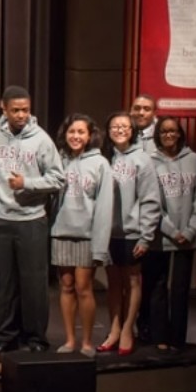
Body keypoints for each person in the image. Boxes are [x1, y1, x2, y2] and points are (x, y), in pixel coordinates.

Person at [0, 86, 64, 352]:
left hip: (31, 220)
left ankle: (36, 338)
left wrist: (27, 183)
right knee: (4, 283)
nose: (21, 116)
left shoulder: (41, 139)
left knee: (33, 283)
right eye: (16, 110)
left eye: (26, 110)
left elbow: (57, 178)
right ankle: (7, 334)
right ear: (3, 108)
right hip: (1, 219)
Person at [51, 114, 114, 355]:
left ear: (90, 136)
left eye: (81, 132)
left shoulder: (100, 164)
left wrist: (100, 245)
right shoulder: (59, 159)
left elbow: (104, 207)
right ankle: (69, 340)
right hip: (61, 232)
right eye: (71, 132)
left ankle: (87, 342)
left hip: (88, 235)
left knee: (83, 287)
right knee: (66, 287)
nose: (76, 136)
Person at [100, 112, 159, 355]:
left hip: (133, 232)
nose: (120, 130)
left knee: (133, 282)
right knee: (113, 283)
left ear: (132, 130)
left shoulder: (142, 160)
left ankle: (127, 329)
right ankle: (114, 328)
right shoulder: (104, 158)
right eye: (115, 126)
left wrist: (146, 236)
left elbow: (150, 200)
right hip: (107, 233)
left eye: (124, 126)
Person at [147, 117, 196, 354]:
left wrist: (191, 229)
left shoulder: (195, 161)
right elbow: (150, 201)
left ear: (180, 134)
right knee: (158, 287)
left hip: (188, 236)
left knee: (180, 289)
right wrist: (171, 230)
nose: (168, 135)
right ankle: (159, 337)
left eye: (173, 131)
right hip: (161, 235)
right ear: (158, 135)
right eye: (164, 131)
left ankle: (178, 338)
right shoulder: (150, 162)